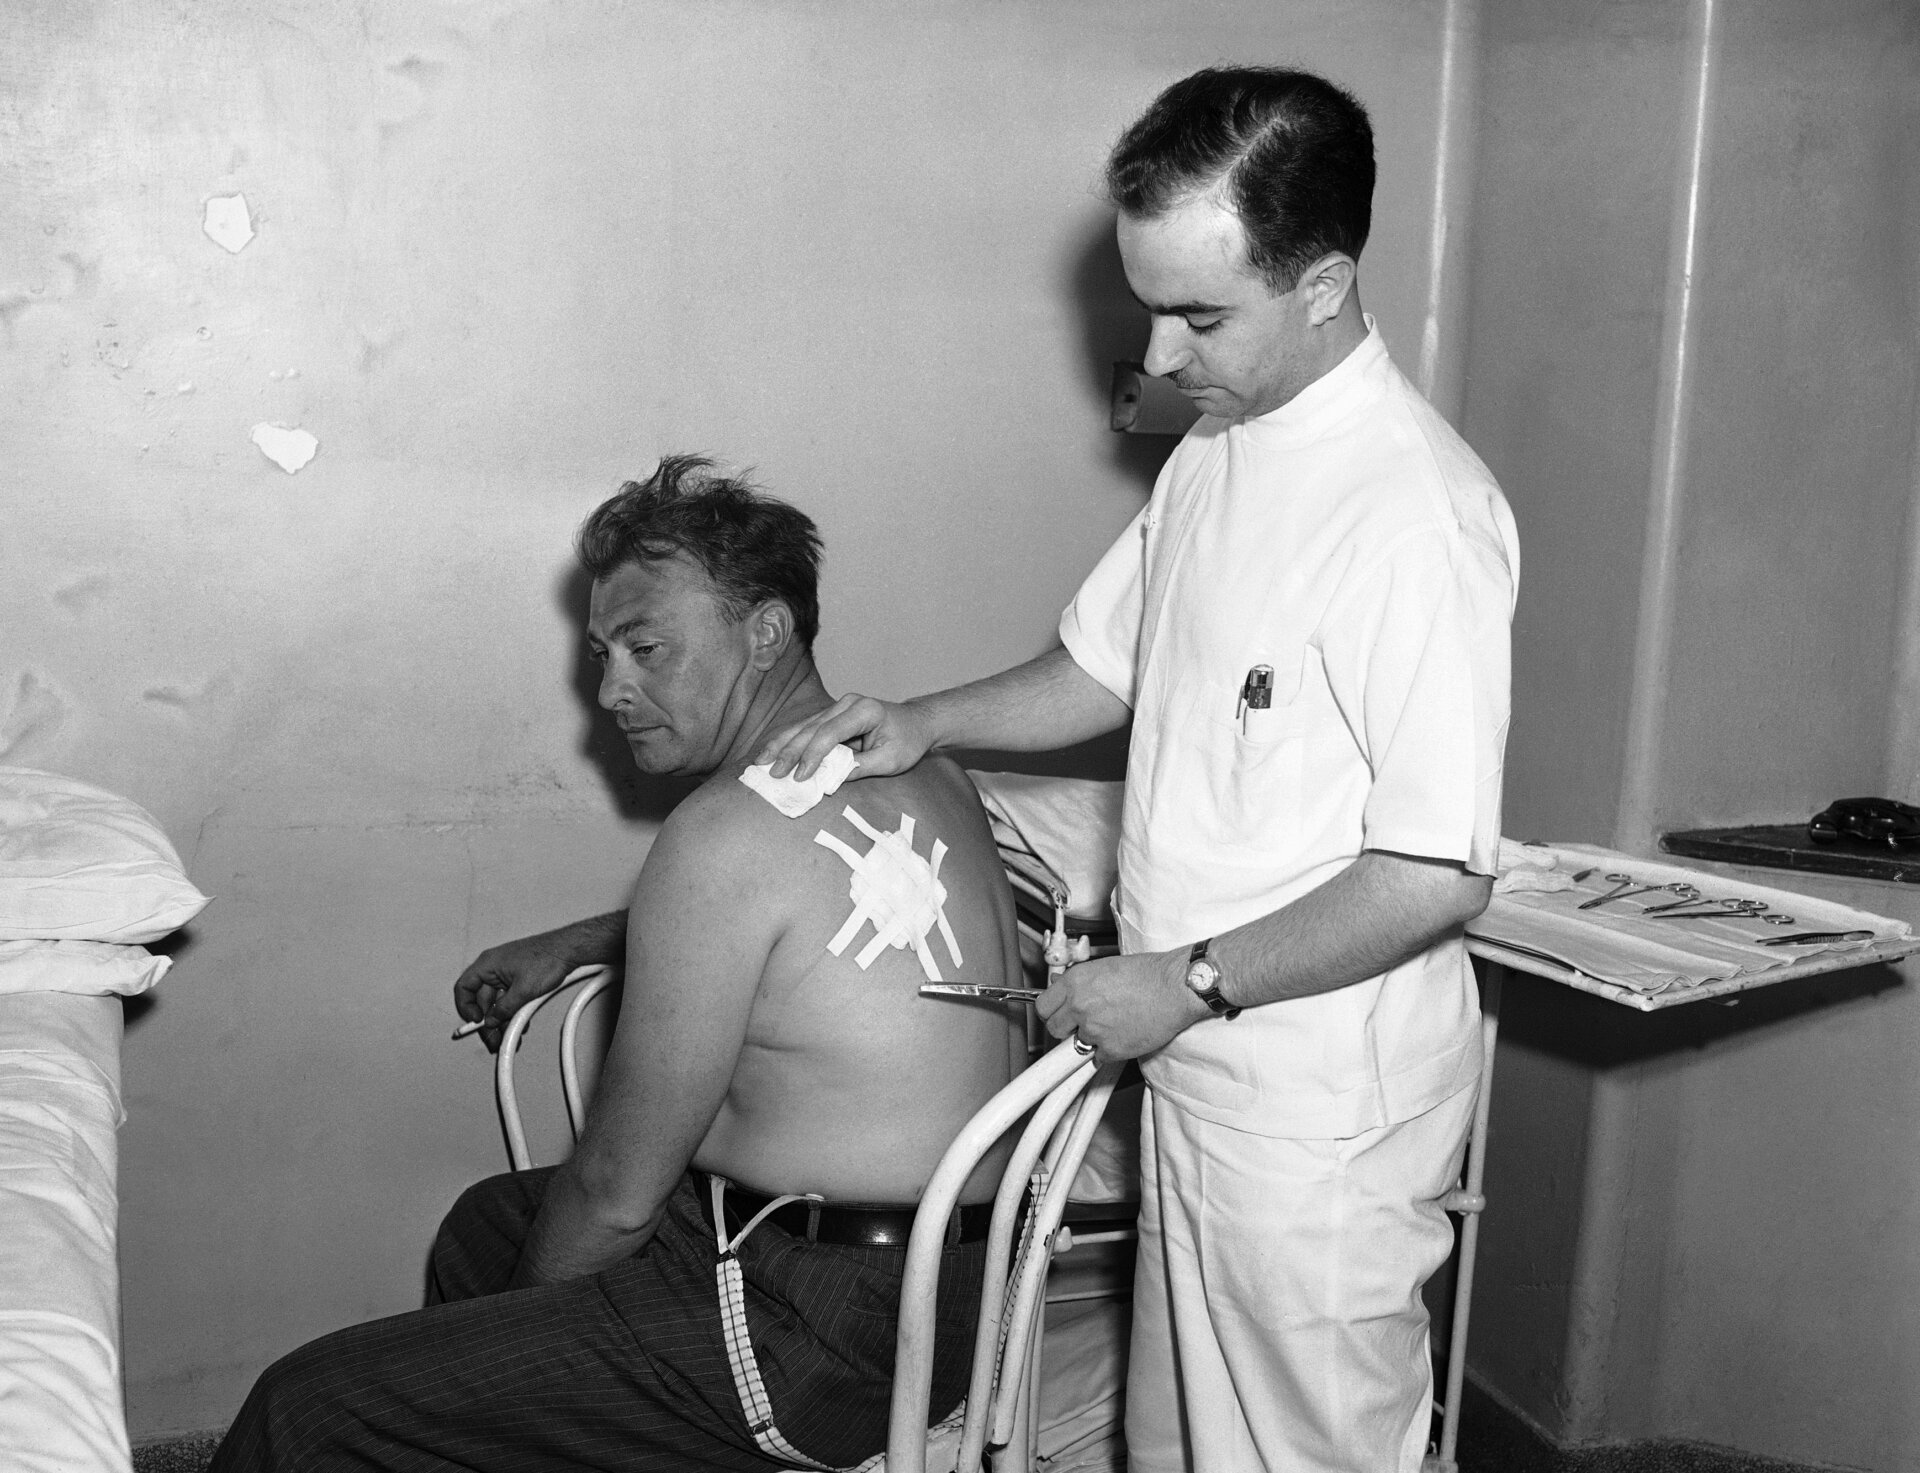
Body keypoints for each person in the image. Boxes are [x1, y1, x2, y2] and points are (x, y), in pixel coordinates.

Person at [757, 67, 1518, 1473]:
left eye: (1201, 314)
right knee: (1179, 1442)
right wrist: (924, 719)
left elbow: (1433, 876)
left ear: (1328, 282)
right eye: (1146, 303)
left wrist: (1184, 980)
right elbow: (1103, 667)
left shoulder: (1415, 515)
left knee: (1308, 1450)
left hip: (1317, 1103)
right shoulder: (1226, 451)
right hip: (1198, 1059)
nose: (1160, 358)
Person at [210, 455, 1026, 1473]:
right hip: (961, 1293)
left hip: (815, 1338)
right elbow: (823, 935)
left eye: (647, 649)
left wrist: (489, 1365)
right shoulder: (926, 768)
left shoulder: (721, 837)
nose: (611, 690)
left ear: (765, 630)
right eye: (602, 653)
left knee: (309, 1407)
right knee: (486, 1225)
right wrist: (583, 941)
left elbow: (615, 1192)